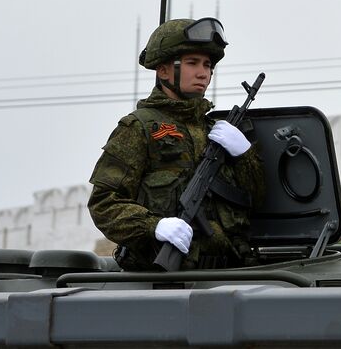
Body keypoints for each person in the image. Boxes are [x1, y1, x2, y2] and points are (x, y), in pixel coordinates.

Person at [88, 18, 265, 271]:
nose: (203, 73)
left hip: (227, 274)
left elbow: (258, 202)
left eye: (207, 65)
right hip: (162, 280)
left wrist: (244, 154)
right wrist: (154, 226)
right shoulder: (140, 128)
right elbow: (104, 204)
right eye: (193, 63)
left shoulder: (214, 132)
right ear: (163, 70)